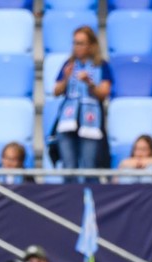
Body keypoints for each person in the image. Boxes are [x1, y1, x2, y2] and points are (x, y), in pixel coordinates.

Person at [52, 26, 112, 182]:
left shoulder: (102, 66)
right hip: (67, 121)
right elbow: (56, 91)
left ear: (91, 45)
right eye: (75, 43)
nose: (76, 47)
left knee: (89, 166)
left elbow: (103, 94)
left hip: (90, 123)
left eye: (81, 43)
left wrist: (89, 83)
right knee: (68, 167)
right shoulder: (69, 64)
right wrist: (65, 77)